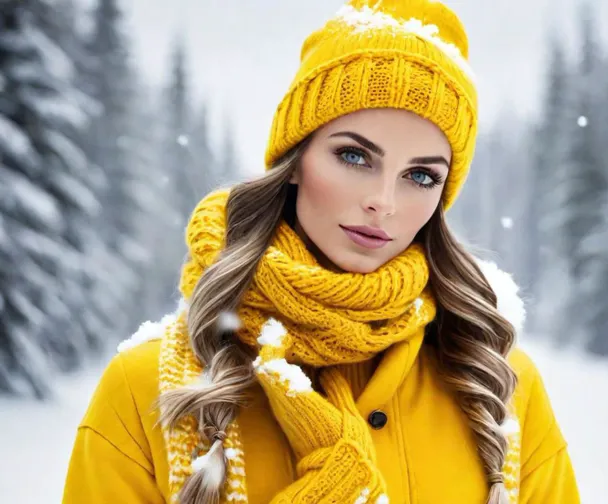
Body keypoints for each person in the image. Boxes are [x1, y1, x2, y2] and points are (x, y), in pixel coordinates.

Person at [63, 1, 579, 503]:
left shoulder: (498, 389)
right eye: (354, 155)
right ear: (294, 159)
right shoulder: (148, 388)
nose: (383, 201)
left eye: (420, 175)